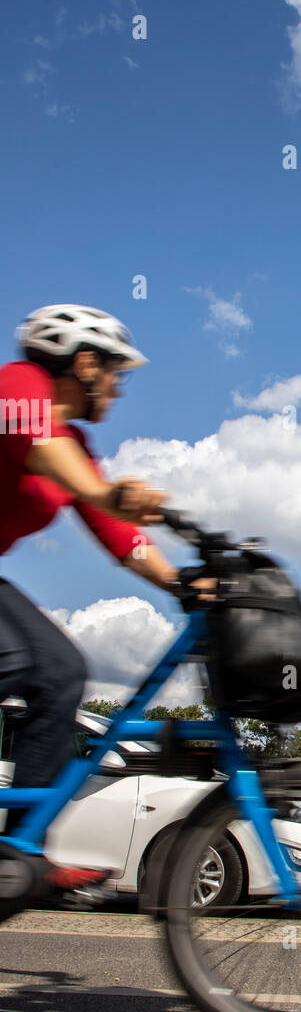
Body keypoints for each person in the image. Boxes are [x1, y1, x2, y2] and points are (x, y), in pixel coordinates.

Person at [0, 303, 182, 888]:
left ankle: (18, 849)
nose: (118, 389)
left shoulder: (75, 440)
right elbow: (38, 447)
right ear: (83, 363)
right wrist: (106, 493)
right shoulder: (18, 385)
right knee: (18, 661)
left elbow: (118, 537)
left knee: (61, 670)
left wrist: (184, 583)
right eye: (115, 373)